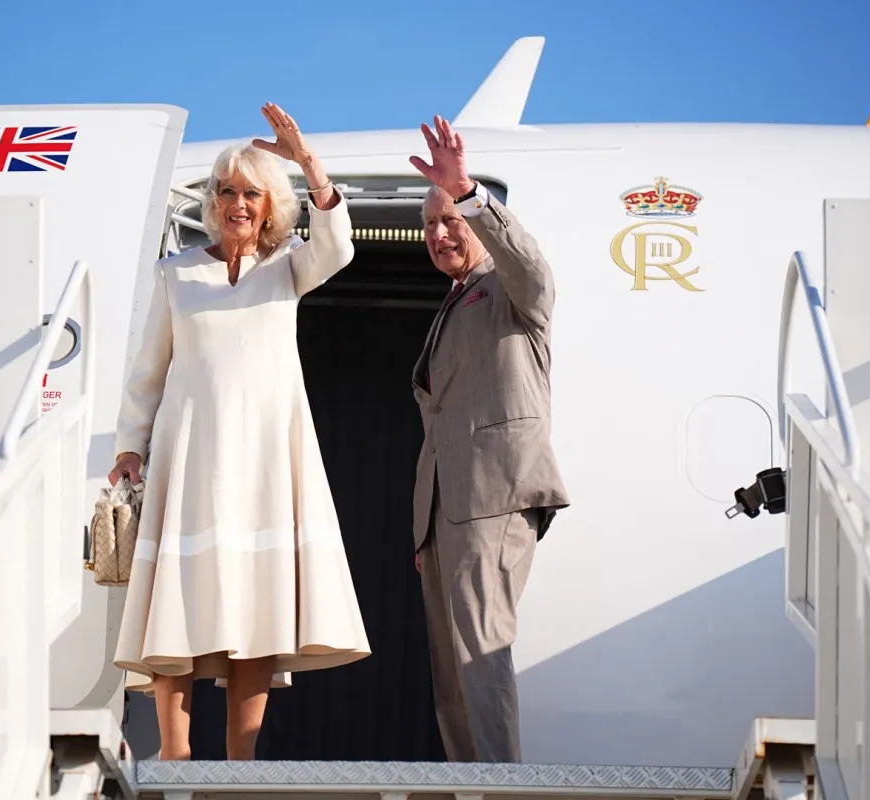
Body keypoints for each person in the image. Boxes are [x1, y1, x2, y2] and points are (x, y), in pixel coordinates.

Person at [108, 103, 371, 762]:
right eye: (226, 191)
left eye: (251, 192)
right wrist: (129, 446)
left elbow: (338, 246)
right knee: (180, 597)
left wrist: (308, 162)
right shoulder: (178, 274)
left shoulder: (288, 267)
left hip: (261, 459)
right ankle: (174, 753)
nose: (237, 203)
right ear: (213, 201)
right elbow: (148, 371)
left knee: (254, 605)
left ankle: (241, 763)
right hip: (191, 454)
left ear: (270, 203)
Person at [407, 115, 571, 763]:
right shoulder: (453, 303)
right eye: (430, 225)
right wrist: (427, 528)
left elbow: (530, 264)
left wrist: (469, 193)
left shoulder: (509, 289)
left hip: (496, 499)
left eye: (452, 220)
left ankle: (501, 784)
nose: (441, 234)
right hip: (448, 517)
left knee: (481, 653)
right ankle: (470, 783)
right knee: (451, 677)